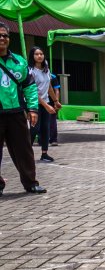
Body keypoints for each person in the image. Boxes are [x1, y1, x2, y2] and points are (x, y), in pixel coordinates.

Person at [0, 22, 46, 196]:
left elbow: (29, 86)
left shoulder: (19, 61)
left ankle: (31, 183)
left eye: (5, 35)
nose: (2, 38)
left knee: (24, 150)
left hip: (16, 113)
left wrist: (33, 109)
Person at [27, 46, 57, 162]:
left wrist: (55, 101)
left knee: (45, 128)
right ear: (32, 56)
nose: (39, 56)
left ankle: (44, 154)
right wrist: (46, 105)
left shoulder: (46, 70)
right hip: (34, 103)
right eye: (36, 54)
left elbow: (49, 87)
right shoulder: (30, 71)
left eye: (41, 54)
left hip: (46, 102)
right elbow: (32, 91)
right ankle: (26, 153)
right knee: (35, 129)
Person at [49, 71, 61, 146]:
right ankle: (41, 139)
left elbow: (56, 90)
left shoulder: (52, 76)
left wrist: (56, 102)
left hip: (51, 100)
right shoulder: (33, 73)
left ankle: (53, 139)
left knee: (52, 120)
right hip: (39, 101)